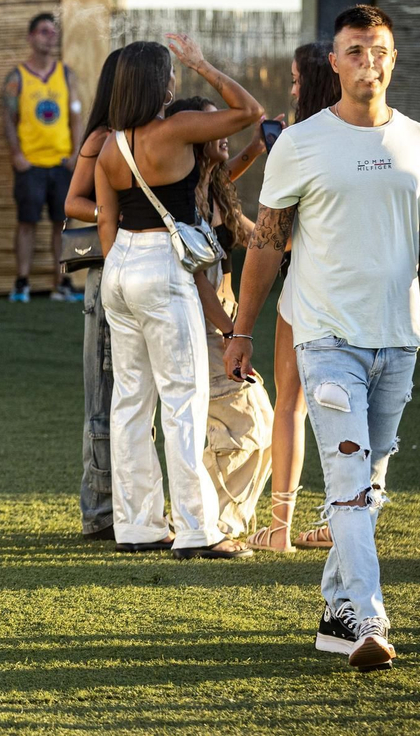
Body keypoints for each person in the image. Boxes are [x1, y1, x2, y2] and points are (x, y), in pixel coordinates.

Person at [225, 5, 420, 672]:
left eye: (377, 51)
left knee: (368, 489)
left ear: (392, 59)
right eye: (354, 51)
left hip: (398, 341)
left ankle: (333, 616)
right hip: (325, 340)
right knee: (349, 481)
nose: (367, 63)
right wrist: (242, 330)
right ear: (335, 63)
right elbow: (267, 242)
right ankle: (370, 619)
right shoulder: (301, 142)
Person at [93, 35, 263, 559]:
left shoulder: (109, 144)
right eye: (171, 73)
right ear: (158, 83)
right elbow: (249, 111)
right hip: (162, 269)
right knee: (182, 401)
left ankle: (138, 525)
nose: (176, 80)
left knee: (129, 403)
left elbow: (105, 219)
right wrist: (204, 64)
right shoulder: (177, 129)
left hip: (118, 266)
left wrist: (120, 269)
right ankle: (198, 530)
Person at [247, 42, 344, 554]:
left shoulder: (296, 144)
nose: (289, 89)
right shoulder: (369, 139)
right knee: (358, 412)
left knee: (292, 405)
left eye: (293, 80)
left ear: (312, 82)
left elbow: (276, 238)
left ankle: (281, 528)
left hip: (305, 293)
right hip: (359, 294)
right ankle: (341, 521)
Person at [166, 96, 276, 538]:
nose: (223, 132)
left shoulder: (213, 190)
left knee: (256, 421)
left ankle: (219, 518)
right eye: (214, 125)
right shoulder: (179, 199)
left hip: (222, 325)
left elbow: (260, 239)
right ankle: (210, 520)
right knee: (242, 423)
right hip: (203, 327)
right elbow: (197, 281)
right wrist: (233, 333)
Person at [63, 48, 122, 540]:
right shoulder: (104, 138)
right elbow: (73, 202)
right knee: (104, 395)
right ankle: (101, 512)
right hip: (106, 274)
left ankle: (127, 506)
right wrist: (119, 222)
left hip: (133, 275)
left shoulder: (144, 135)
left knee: (132, 396)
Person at [4, 12, 83, 301]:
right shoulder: (17, 77)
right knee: (26, 223)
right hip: (31, 165)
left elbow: (76, 117)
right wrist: (17, 155)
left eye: (53, 32)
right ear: (30, 37)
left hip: (62, 163)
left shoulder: (66, 75)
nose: (50, 37)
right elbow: (8, 118)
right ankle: (22, 282)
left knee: (62, 225)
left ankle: (61, 283)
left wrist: (77, 153)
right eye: (43, 32)